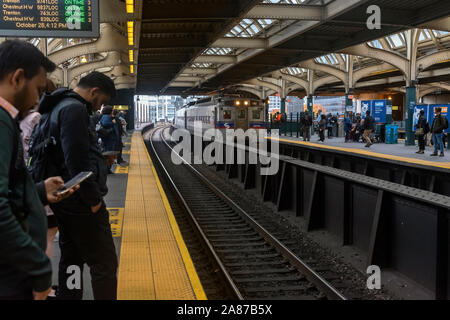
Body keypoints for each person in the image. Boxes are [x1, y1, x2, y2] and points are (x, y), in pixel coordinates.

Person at [0, 40, 79, 300]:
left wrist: (39, 192)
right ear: (18, 78)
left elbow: (8, 191)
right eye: (38, 89)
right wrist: (39, 268)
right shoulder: (2, 122)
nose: (38, 99)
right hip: (11, 274)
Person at [37, 71, 118, 300]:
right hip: (80, 201)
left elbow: (65, 154)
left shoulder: (57, 106)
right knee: (104, 262)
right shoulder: (74, 110)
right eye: (101, 101)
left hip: (66, 200)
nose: (100, 106)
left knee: (72, 258)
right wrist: (93, 202)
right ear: (94, 92)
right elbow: (76, 161)